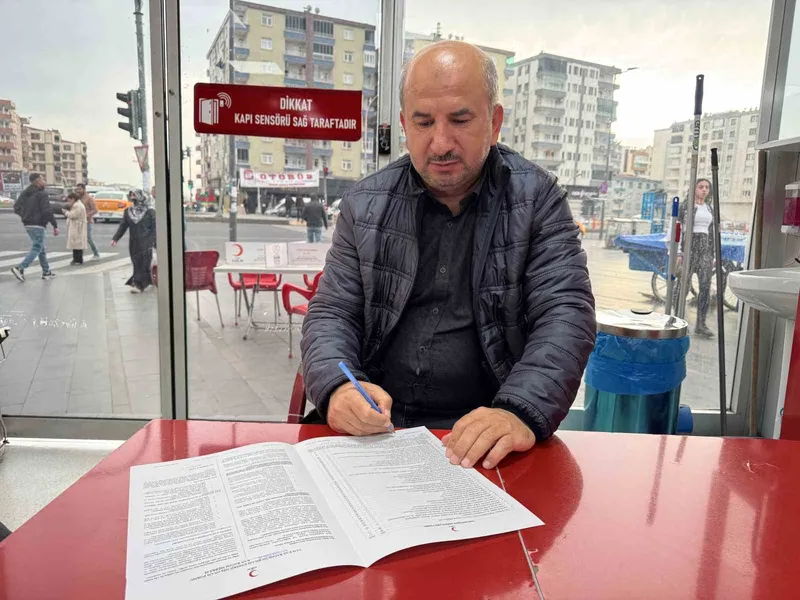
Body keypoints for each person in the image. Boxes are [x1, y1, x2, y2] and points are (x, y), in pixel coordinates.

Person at [301, 41, 595, 470]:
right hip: (377, 431)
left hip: (484, 435)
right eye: (423, 123)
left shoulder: (537, 200)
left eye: (460, 120)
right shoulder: (364, 204)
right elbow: (332, 312)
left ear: (494, 122)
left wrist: (519, 409)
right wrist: (337, 388)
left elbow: (565, 312)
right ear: (405, 125)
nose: (440, 143)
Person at [675, 178, 715, 337]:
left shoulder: (709, 208)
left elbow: (711, 232)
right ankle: (677, 320)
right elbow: (677, 229)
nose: (704, 190)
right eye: (701, 187)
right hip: (689, 247)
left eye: (707, 187)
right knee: (683, 286)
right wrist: (679, 251)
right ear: (694, 189)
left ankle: (701, 324)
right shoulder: (685, 207)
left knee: (705, 287)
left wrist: (712, 255)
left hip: (704, 249)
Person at [10, 172, 58, 281]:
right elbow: (47, 211)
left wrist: (26, 216)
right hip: (38, 225)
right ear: (37, 181)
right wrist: (54, 225)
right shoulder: (42, 194)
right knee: (37, 247)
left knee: (41, 248)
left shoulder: (25, 193)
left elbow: (16, 207)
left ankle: (46, 272)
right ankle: (20, 268)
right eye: (42, 179)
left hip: (28, 224)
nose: (44, 181)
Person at [111, 189, 156, 294]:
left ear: (141, 196)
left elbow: (155, 228)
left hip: (147, 242)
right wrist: (115, 238)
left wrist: (154, 241)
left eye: (134, 195)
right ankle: (148, 280)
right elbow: (123, 226)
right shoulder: (128, 211)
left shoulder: (150, 212)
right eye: (131, 195)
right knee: (136, 262)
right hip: (134, 242)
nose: (132, 197)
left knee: (144, 262)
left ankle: (139, 284)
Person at [75, 183, 100, 259]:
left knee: (88, 238)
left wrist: (87, 215)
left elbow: (95, 210)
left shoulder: (89, 198)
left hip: (87, 222)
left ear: (84, 189)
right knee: (78, 239)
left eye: (80, 189)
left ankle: (96, 253)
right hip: (78, 221)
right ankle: (78, 257)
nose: (78, 191)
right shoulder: (77, 198)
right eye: (77, 189)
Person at [63, 192, 87, 265]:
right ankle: (77, 259)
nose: (69, 202)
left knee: (76, 244)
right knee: (76, 244)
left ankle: (77, 259)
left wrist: (66, 212)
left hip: (77, 227)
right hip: (77, 226)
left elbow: (72, 215)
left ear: (73, 199)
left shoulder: (77, 205)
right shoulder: (78, 204)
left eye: (69, 200)